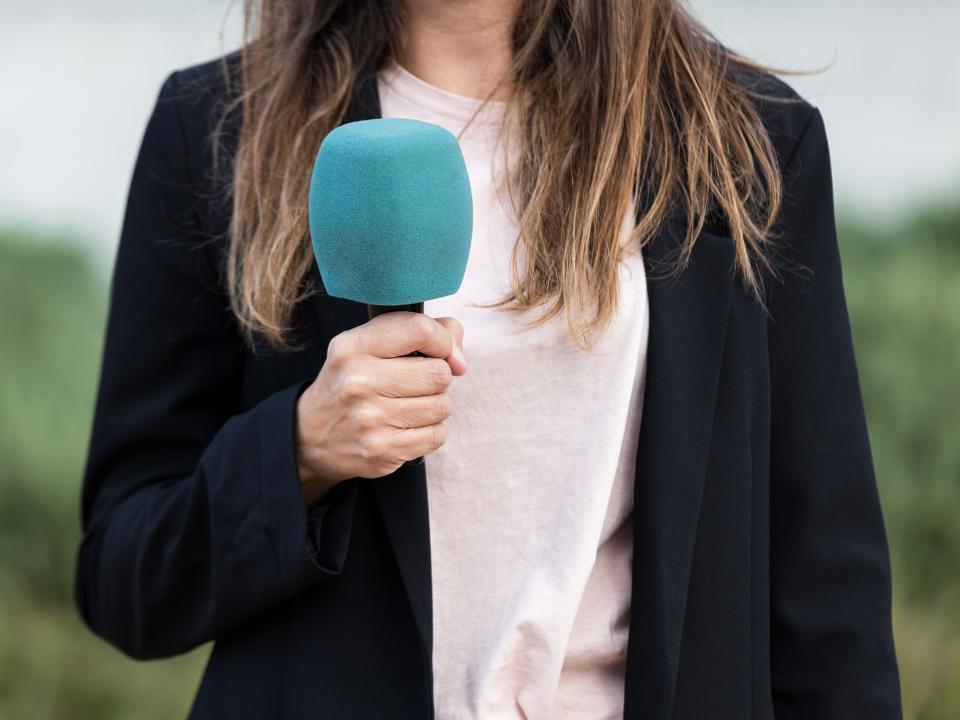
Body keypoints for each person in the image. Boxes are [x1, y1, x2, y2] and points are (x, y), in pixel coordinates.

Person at [73, 0, 903, 718]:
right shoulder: (220, 129)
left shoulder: (745, 141)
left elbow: (827, 596)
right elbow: (124, 579)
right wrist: (295, 455)